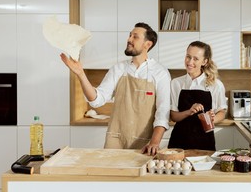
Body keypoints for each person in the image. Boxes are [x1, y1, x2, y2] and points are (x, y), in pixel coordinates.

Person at [61, 22, 171, 156]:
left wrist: (154, 142)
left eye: (135, 37)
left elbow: (163, 112)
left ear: (147, 44)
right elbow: (97, 100)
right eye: (130, 35)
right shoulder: (118, 69)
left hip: (146, 143)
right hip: (115, 140)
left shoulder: (160, 73)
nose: (129, 39)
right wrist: (81, 74)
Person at [168, 41, 227, 151]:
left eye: (195, 59)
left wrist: (213, 119)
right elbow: (174, 116)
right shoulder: (176, 83)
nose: (190, 62)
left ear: (204, 61)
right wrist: (189, 112)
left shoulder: (215, 85)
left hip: (204, 141)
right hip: (179, 141)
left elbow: (222, 112)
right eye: (188, 57)